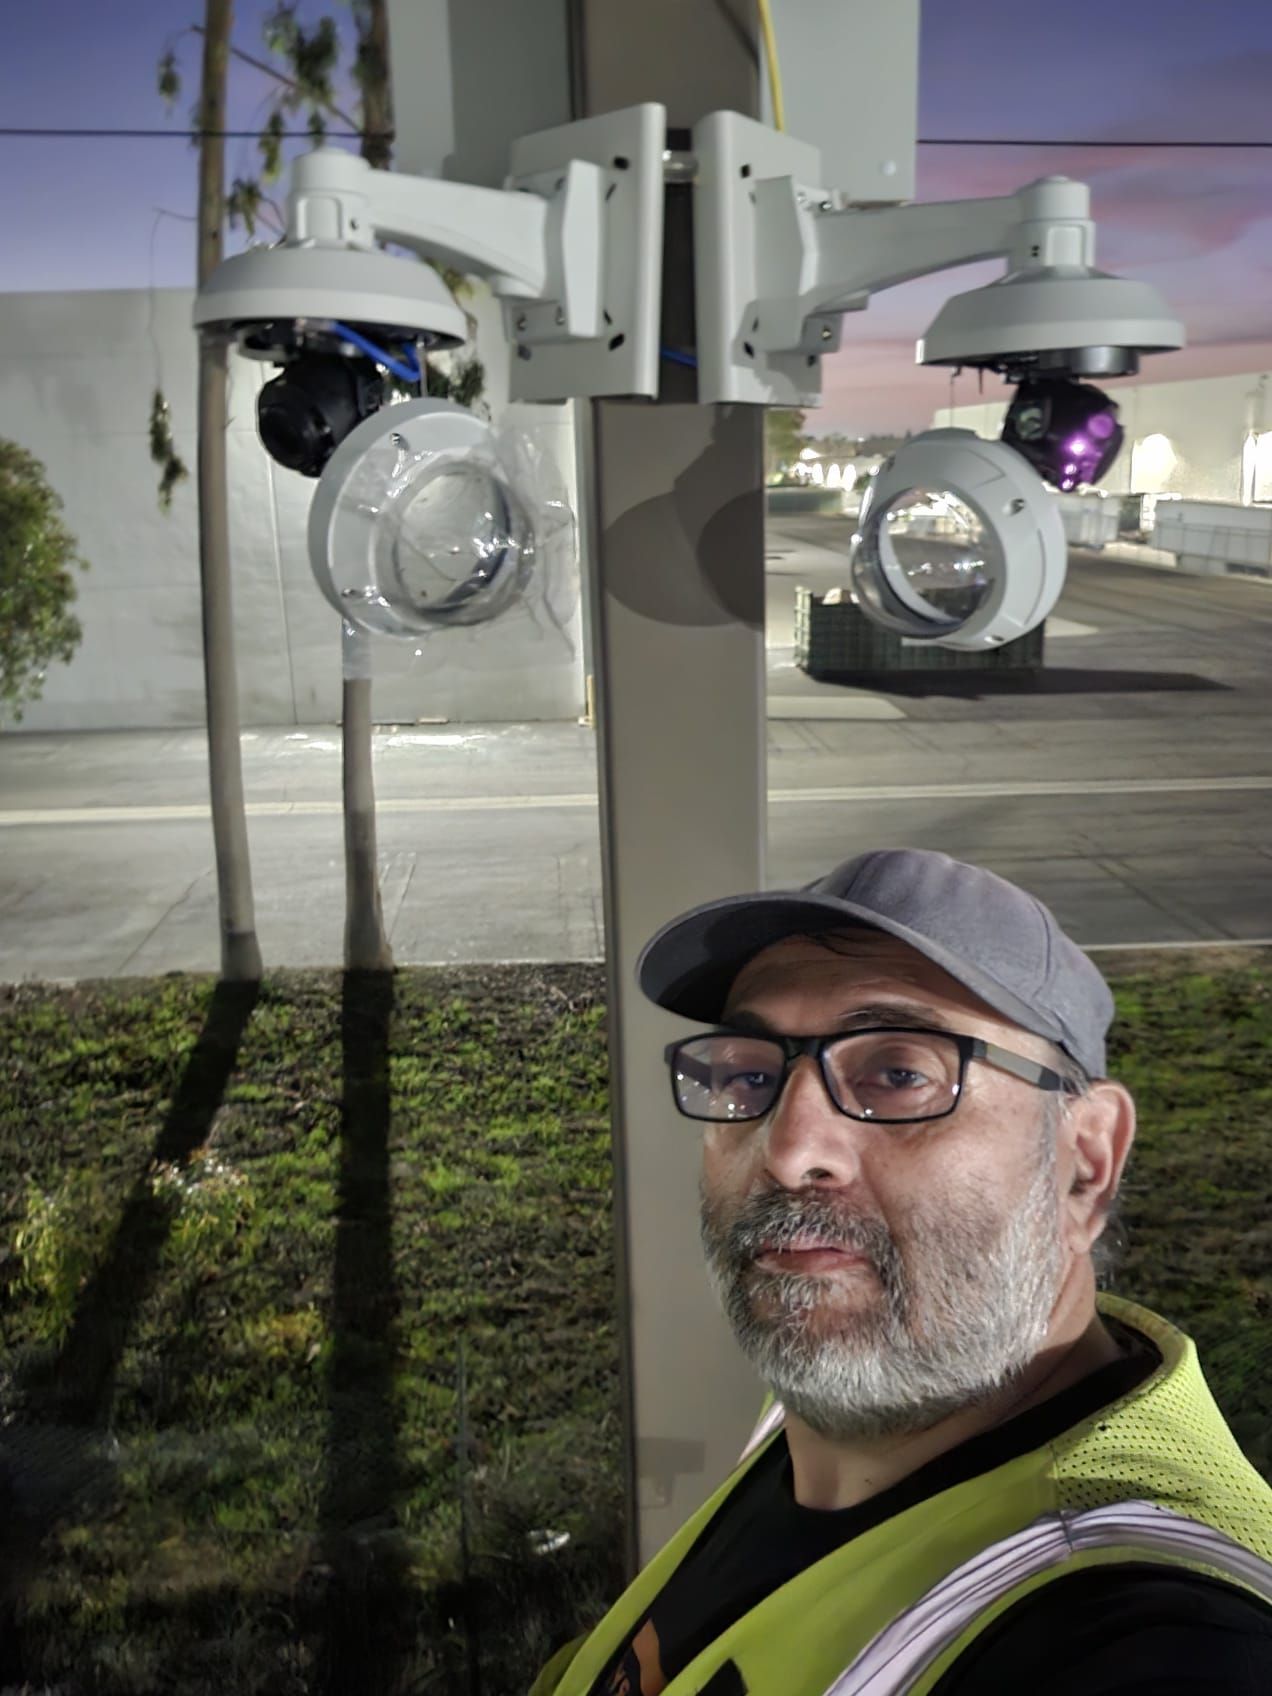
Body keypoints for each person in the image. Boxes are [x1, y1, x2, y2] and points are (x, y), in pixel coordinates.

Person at [531, 848, 1272, 1696]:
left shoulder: (1164, 1637)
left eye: (898, 1074)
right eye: (750, 1074)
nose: (789, 1149)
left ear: (1085, 1163)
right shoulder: (823, 1423)